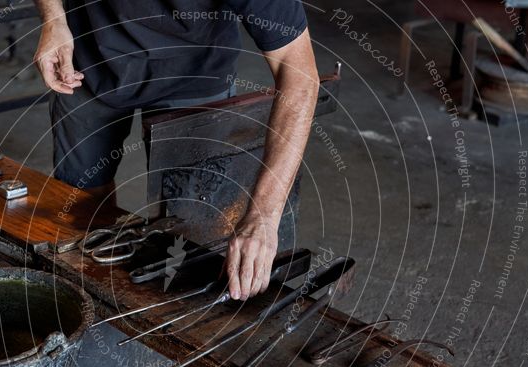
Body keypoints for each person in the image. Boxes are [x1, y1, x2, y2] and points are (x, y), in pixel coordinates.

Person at [34, 0, 318, 300]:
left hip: (194, 77)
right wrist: (53, 19)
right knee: (80, 208)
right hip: (86, 63)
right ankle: (90, 301)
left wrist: (263, 216)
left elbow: (299, 76)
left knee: (190, 239)